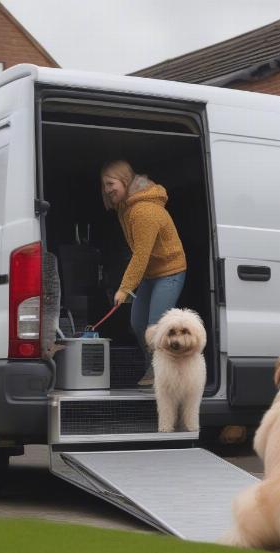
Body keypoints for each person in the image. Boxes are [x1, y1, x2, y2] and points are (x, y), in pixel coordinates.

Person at [101, 159, 187, 386]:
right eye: (105, 185)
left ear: (125, 180)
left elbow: (140, 255)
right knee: (138, 323)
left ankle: (163, 373)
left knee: (154, 326)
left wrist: (124, 288)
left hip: (170, 270)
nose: (108, 190)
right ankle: (156, 366)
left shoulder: (143, 211)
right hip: (151, 273)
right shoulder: (126, 207)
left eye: (111, 184)